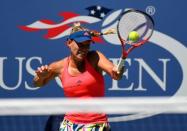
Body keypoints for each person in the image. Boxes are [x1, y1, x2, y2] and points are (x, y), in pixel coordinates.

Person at [33, 23, 124, 131]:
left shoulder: (95, 57)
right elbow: (37, 83)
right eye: (81, 44)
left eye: (87, 45)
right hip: (70, 125)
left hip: (97, 125)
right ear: (69, 43)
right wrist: (41, 76)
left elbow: (115, 75)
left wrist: (118, 71)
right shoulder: (59, 66)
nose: (84, 49)